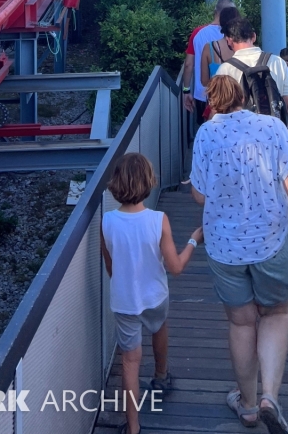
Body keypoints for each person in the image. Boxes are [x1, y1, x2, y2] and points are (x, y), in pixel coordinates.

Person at [190, 75, 288, 433]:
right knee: (275, 315)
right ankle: (270, 397)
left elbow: (200, 196)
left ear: (213, 102)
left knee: (241, 322)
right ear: (244, 97)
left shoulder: (206, 134)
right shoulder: (272, 127)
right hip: (271, 240)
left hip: (224, 247)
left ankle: (248, 407)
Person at [101, 153, 203, 434]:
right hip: (155, 295)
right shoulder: (158, 220)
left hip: (124, 301)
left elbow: (111, 266)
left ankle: (133, 428)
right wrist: (195, 238)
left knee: (129, 361)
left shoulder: (107, 221)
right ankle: (161, 376)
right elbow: (176, 267)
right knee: (159, 327)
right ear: (148, 181)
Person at [216, 16, 288, 145]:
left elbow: (218, 115)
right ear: (254, 37)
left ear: (229, 41)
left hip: (240, 144)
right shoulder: (277, 62)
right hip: (274, 140)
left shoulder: (225, 70)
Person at [182, 0, 235, 125]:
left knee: (205, 131)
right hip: (232, 92)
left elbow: (188, 64)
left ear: (215, 11)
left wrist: (186, 90)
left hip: (203, 93)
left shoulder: (198, 33)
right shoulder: (234, 33)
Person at [200, 5, 241, 87]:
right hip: (241, 98)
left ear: (221, 23)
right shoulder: (244, 48)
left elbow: (204, 81)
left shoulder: (209, 47)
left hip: (217, 98)